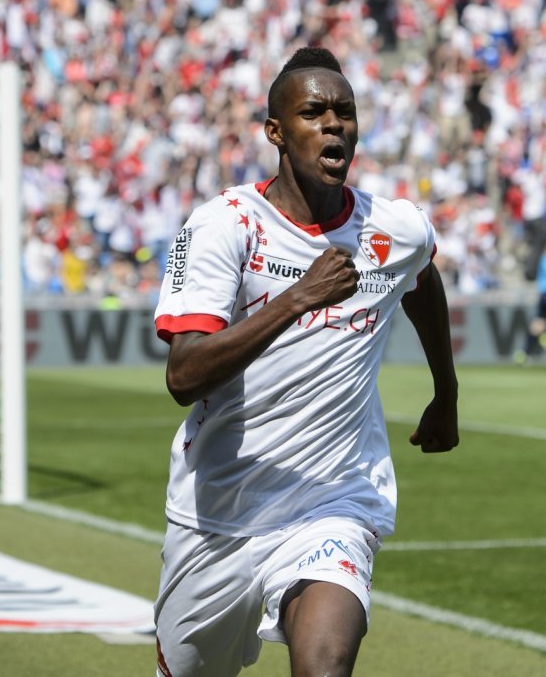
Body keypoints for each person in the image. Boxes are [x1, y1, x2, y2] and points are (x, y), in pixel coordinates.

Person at [151, 46, 460, 677]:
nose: (334, 123)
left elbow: (423, 276)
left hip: (333, 500)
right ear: (276, 132)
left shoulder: (394, 226)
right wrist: (299, 299)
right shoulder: (223, 225)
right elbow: (184, 376)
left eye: (344, 111)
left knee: (325, 667)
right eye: (314, 111)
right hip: (217, 515)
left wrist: (446, 392)